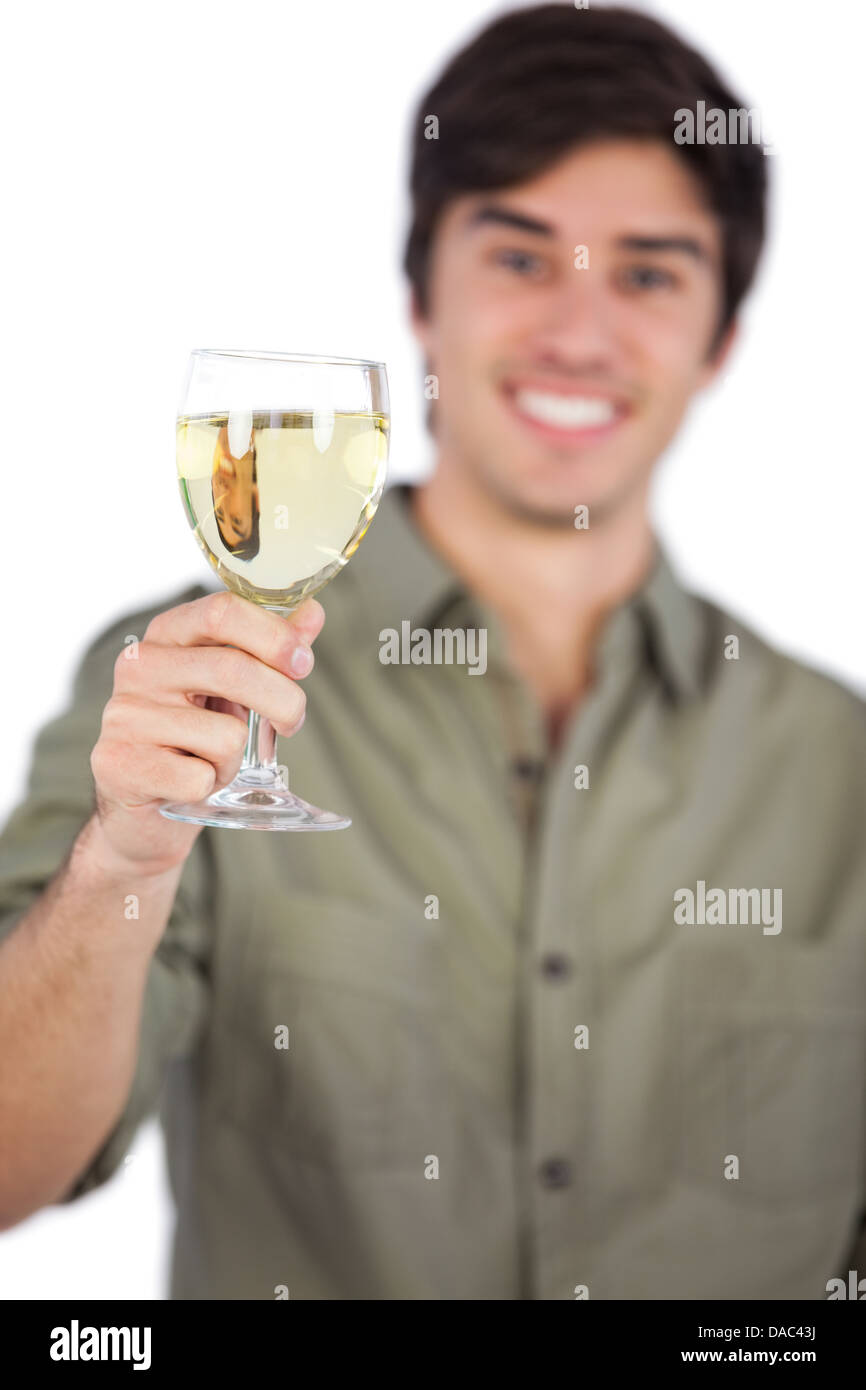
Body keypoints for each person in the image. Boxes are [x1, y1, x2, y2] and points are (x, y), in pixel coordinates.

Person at [0, 3, 864, 1300]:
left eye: (645, 272)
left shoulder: (837, 763)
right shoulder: (183, 693)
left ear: (720, 337)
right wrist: (123, 861)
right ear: (419, 299)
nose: (578, 329)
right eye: (519, 258)